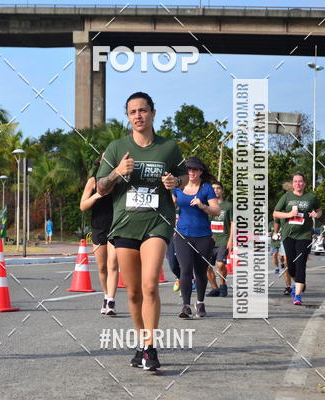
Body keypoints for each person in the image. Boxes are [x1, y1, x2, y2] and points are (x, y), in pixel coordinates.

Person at [97, 91, 188, 371]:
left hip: (157, 222)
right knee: (134, 292)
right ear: (128, 116)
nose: (138, 116)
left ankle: (150, 347)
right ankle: (141, 342)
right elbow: (101, 187)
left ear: (153, 113)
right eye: (133, 112)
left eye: (143, 110)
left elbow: (184, 177)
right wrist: (116, 172)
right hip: (125, 225)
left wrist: (176, 182)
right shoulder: (117, 148)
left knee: (150, 284)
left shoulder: (168, 147)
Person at [173, 157, 220, 318]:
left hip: (203, 236)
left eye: (195, 169)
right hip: (182, 235)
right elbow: (169, 206)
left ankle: (200, 302)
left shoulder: (206, 188)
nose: (191, 172)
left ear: (200, 171)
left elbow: (216, 211)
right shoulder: (178, 188)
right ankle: (186, 306)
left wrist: (202, 205)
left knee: (200, 272)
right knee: (185, 270)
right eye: (189, 169)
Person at [273, 172, 322, 305]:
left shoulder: (311, 197)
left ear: (304, 183)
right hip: (288, 235)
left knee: (301, 264)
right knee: (291, 266)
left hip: (304, 235)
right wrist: (289, 214)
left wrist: (316, 214)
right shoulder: (287, 196)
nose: (298, 183)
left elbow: (319, 211)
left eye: (300, 181)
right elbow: (275, 213)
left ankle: (298, 295)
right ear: (292, 183)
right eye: (295, 181)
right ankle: (299, 282)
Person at [80, 159, 119, 315]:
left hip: (116, 227)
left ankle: (111, 301)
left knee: (113, 264)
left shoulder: (120, 181)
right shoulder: (93, 181)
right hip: (99, 227)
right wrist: (98, 195)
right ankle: (105, 295)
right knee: (102, 267)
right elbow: (83, 206)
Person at [206, 181, 233, 297]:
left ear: (222, 190)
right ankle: (215, 288)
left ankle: (223, 285)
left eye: (218, 188)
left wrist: (231, 240)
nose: (216, 190)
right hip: (208, 241)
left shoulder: (228, 206)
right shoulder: (206, 205)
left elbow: (233, 223)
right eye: (213, 188)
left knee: (220, 264)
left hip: (223, 240)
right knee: (206, 266)